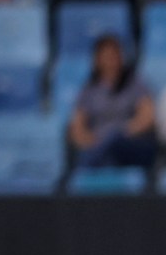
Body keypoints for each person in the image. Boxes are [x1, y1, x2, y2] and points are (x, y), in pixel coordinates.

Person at [68, 34, 158, 169]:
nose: (111, 59)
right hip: (98, 144)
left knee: (112, 139)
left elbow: (147, 117)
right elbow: (77, 127)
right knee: (104, 155)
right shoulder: (89, 90)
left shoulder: (135, 83)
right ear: (97, 59)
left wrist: (121, 132)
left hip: (130, 142)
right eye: (106, 55)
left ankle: (86, 171)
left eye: (114, 54)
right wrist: (92, 140)